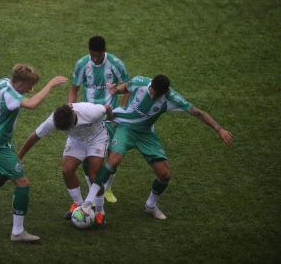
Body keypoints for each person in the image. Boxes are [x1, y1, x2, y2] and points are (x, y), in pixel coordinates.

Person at [81, 74, 234, 220]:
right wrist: (116, 90)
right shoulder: (140, 81)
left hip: (145, 134)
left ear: (165, 92)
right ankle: (88, 202)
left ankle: (151, 205)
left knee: (165, 174)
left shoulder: (171, 98)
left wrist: (219, 129)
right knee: (113, 160)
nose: (153, 95)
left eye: (158, 94)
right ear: (151, 84)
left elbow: (198, 113)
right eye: (152, 91)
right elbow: (127, 86)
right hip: (125, 127)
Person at [0, 64, 67, 242]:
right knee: (22, 183)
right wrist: (50, 85)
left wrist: (25, 88)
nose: (30, 90)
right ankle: (17, 232)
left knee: (4, 173)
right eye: (28, 86)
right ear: (20, 82)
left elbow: (17, 94)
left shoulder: (3, 83)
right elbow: (31, 105)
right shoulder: (11, 95)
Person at [18, 102, 113, 226]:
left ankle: (100, 212)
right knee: (67, 170)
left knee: (93, 174)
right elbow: (35, 136)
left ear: (73, 117)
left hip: (97, 139)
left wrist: (111, 122)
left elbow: (107, 108)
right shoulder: (54, 120)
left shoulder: (91, 111)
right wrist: (19, 156)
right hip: (76, 141)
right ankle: (79, 206)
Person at [68, 35, 130, 203]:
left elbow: (128, 87)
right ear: (89, 51)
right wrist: (71, 109)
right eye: (93, 55)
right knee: (90, 159)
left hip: (110, 117)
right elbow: (74, 89)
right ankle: (94, 192)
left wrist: (122, 110)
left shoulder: (116, 64)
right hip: (88, 117)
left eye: (99, 55)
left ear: (104, 51)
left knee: (113, 156)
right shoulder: (82, 64)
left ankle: (107, 187)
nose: (95, 59)